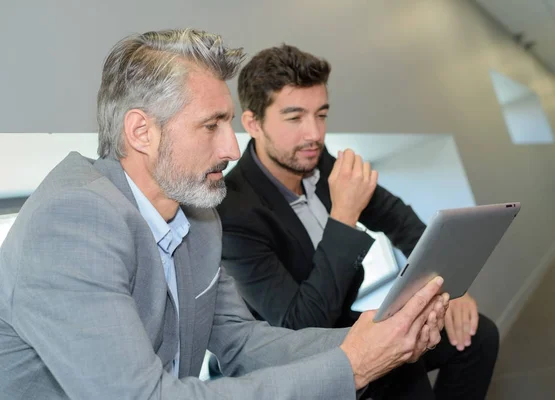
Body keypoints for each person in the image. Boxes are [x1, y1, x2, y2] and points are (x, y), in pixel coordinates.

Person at [0, 29, 448, 399]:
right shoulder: (73, 221)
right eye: (210, 125)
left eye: (228, 124)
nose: (232, 149)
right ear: (142, 132)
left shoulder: (196, 216)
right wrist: (352, 365)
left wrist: (380, 338)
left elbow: (244, 342)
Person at [217, 44, 500, 399]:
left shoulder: (320, 163)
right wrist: (344, 215)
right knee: (402, 365)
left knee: (478, 336)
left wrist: (449, 288)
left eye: (321, 114)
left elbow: (400, 220)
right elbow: (299, 324)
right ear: (253, 123)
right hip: (292, 355)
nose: (315, 134)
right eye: (294, 118)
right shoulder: (232, 210)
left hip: (343, 324)